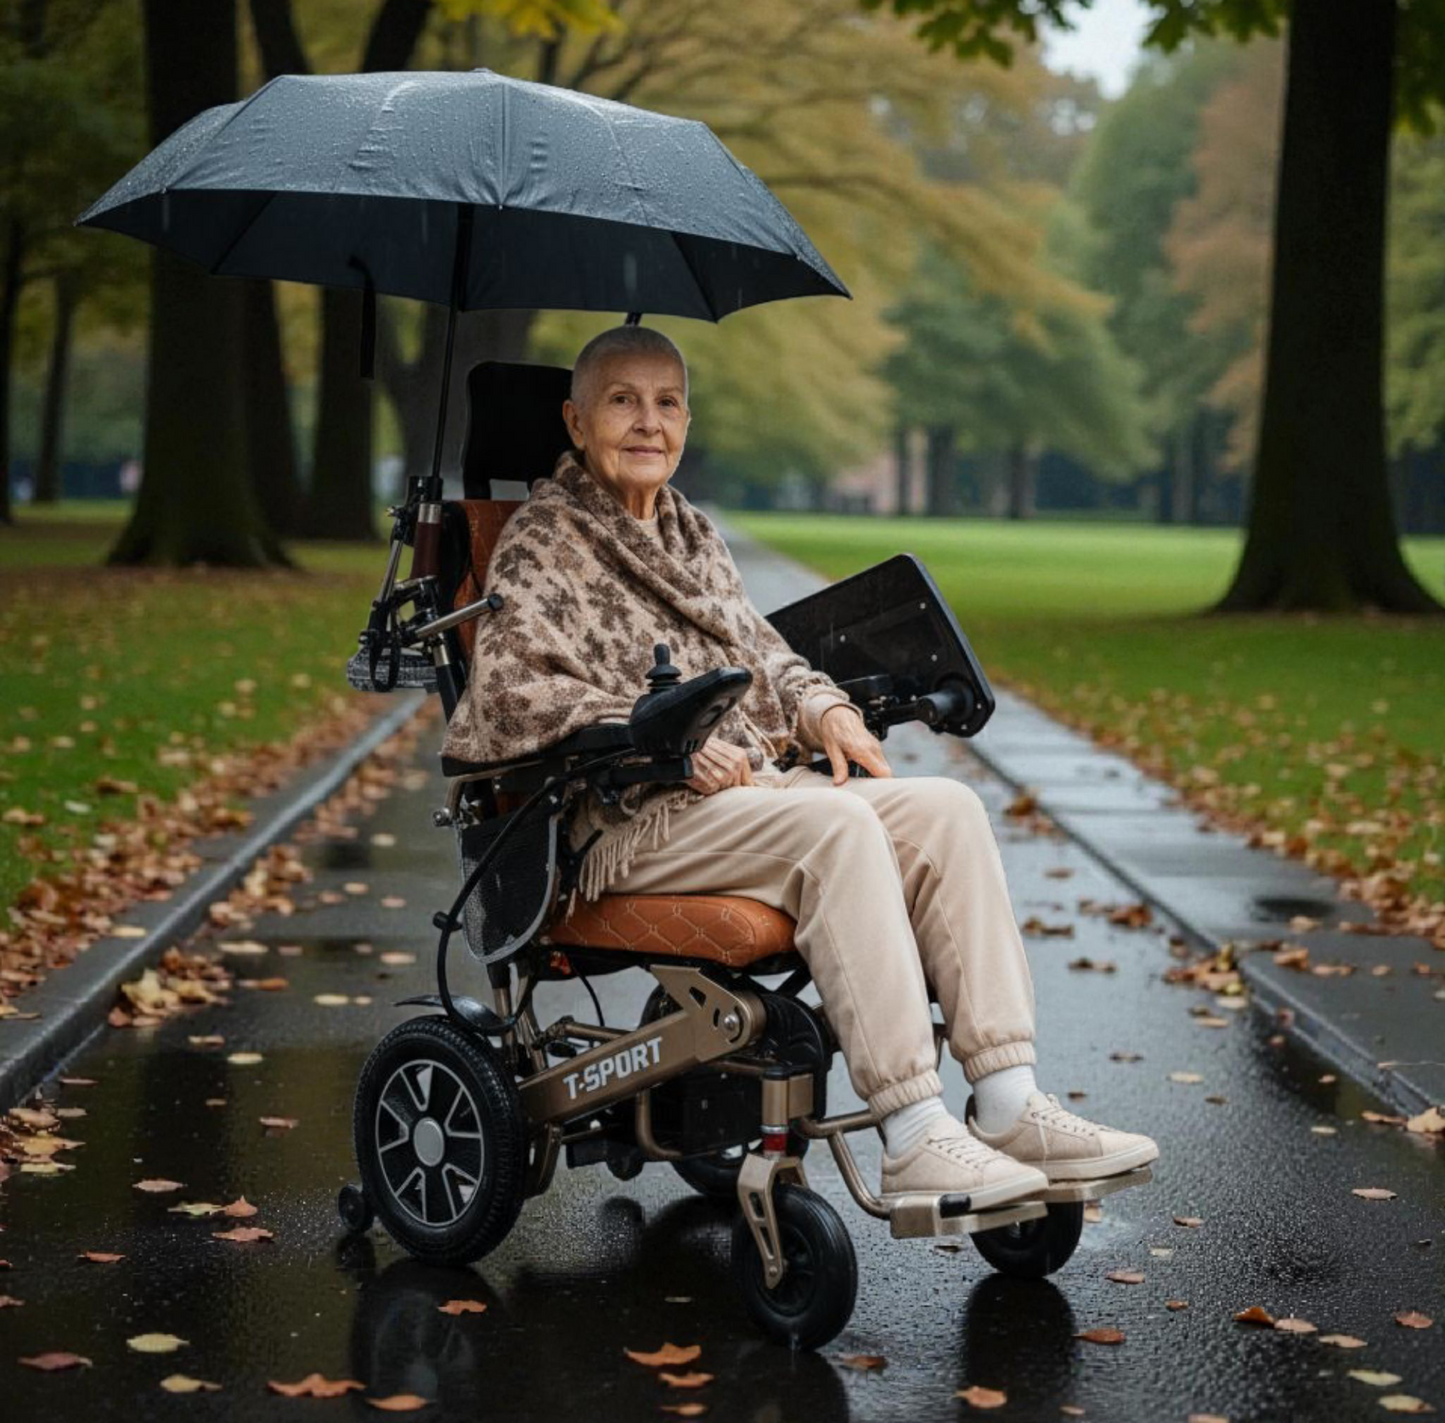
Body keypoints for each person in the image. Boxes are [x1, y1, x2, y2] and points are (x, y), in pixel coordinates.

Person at [441, 325, 1159, 1207]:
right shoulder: (541, 539)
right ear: (576, 420)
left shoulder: (689, 531)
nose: (647, 422)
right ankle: (913, 1131)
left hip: (742, 790)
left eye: (666, 402)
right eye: (622, 401)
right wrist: (646, 734)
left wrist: (822, 706)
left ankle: (1007, 1101)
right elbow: (512, 690)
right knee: (839, 827)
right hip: (622, 816)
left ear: (687, 421)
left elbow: (763, 652)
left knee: (946, 811)